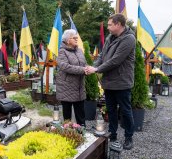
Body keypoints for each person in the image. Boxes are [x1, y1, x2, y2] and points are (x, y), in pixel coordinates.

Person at [85, 14, 136, 150]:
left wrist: (96, 69)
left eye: (110, 24)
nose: (108, 27)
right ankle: (113, 134)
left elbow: (116, 60)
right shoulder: (110, 37)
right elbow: (102, 56)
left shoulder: (129, 39)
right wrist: (94, 66)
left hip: (122, 82)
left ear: (118, 24)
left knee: (125, 111)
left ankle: (128, 137)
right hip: (109, 82)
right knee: (111, 110)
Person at [56, 29, 86, 126]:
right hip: (66, 87)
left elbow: (84, 64)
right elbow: (65, 66)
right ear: (68, 40)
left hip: (79, 87)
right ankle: (68, 133)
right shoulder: (62, 52)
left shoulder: (80, 51)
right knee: (67, 116)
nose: (77, 39)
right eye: (74, 38)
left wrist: (88, 68)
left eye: (77, 37)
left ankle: (83, 131)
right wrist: (83, 70)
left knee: (81, 113)